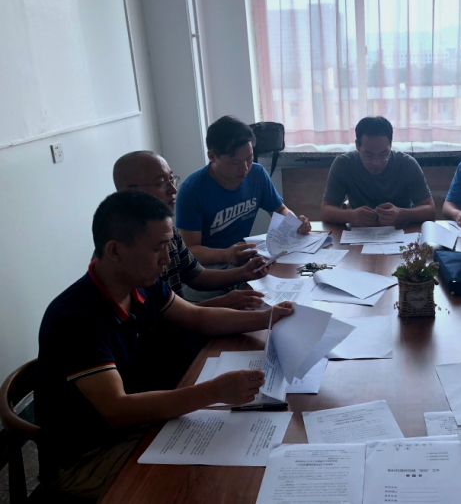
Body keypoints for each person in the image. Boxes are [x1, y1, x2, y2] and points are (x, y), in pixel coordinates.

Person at [35, 191, 294, 500]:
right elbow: (116, 410)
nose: (168, 259)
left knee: (236, 448)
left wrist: (267, 318)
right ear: (115, 250)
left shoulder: (141, 284)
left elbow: (197, 317)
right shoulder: (75, 318)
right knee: (209, 481)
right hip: (88, 454)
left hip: (138, 423)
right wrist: (213, 392)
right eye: (158, 248)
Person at [176, 116, 311, 302]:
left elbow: (280, 210)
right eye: (235, 162)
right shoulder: (192, 191)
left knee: (289, 283)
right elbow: (189, 250)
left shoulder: (257, 174)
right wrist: (226, 255)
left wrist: (294, 223)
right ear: (212, 156)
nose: (245, 168)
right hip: (205, 270)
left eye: (249, 158)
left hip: (240, 260)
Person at [113, 150, 269, 310]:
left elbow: (196, 275)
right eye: (161, 183)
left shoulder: (167, 230)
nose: (173, 190)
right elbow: (159, 320)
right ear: (130, 191)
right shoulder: (128, 249)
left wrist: (244, 272)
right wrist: (220, 303)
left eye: (172, 180)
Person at [320, 116, 436, 227]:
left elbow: (430, 210)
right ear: (357, 146)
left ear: (390, 144)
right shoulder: (344, 164)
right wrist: (351, 216)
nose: (376, 162)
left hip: (401, 231)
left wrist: (401, 214)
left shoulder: (407, 164)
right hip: (360, 232)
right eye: (368, 155)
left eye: (383, 154)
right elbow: (326, 210)